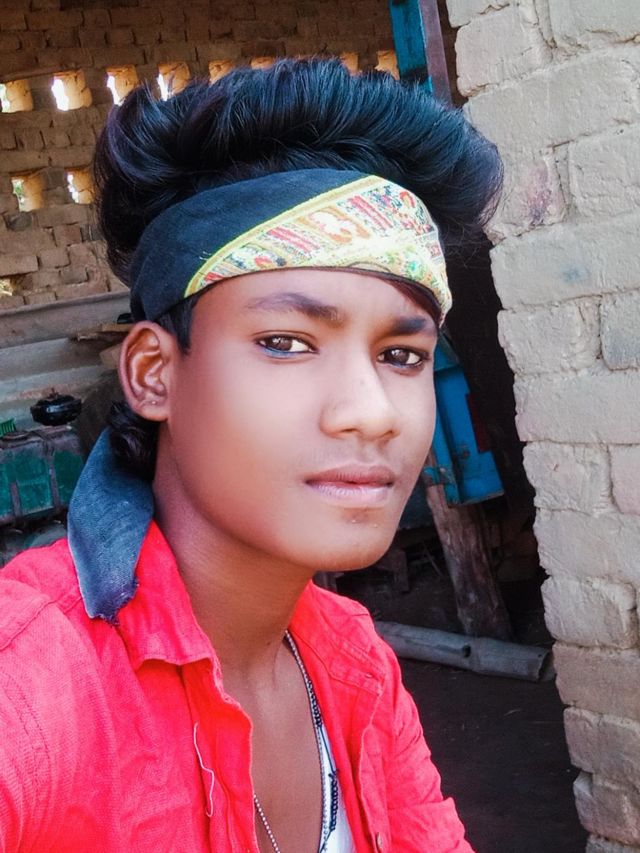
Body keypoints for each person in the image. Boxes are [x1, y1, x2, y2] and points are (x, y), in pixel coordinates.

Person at [0, 58, 501, 852]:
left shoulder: (354, 664)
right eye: (285, 342)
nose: (371, 411)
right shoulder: (31, 687)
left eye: (401, 355)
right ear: (155, 373)